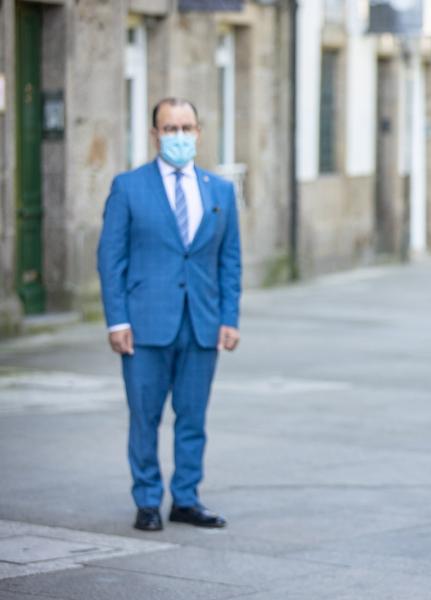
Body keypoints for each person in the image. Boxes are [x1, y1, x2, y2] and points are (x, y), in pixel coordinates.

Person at [97, 98, 241, 532]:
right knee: (145, 416)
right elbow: (111, 258)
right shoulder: (128, 187)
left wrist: (229, 317)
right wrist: (117, 320)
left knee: (193, 417)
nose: (178, 136)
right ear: (154, 134)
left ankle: (185, 498)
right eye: (169, 128)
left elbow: (229, 260)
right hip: (144, 324)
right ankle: (146, 500)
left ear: (198, 132)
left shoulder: (220, 190)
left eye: (186, 127)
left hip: (201, 322)